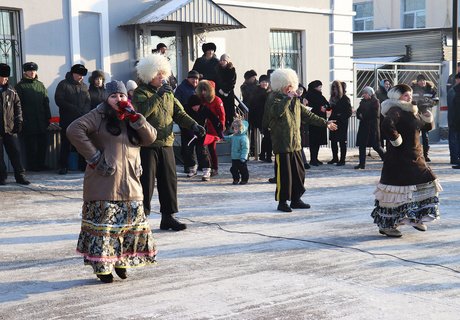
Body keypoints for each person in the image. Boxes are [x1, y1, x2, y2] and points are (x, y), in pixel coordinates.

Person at [66, 80, 157, 283]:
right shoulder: (97, 115)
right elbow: (74, 130)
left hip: (131, 183)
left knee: (128, 227)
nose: (119, 99)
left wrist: (137, 119)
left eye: (122, 95)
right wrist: (95, 157)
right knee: (105, 230)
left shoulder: (132, 115)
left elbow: (151, 138)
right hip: (105, 182)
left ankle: (121, 261)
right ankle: (102, 267)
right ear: (106, 98)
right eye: (114, 96)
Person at [132, 54, 206, 231]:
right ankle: (142, 218)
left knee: (169, 182)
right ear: (149, 75)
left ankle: (168, 217)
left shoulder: (168, 94)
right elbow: (141, 114)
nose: (161, 77)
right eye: (158, 74)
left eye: (163, 74)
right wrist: (157, 96)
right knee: (146, 183)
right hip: (147, 145)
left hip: (166, 143)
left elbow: (179, 113)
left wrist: (194, 125)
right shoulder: (141, 93)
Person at [262, 68, 337, 212]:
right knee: (284, 175)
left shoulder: (294, 100)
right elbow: (277, 113)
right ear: (283, 85)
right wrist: (287, 98)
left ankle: (296, 199)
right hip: (282, 144)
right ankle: (282, 201)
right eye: (288, 85)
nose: (291, 88)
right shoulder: (274, 98)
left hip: (296, 143)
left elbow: (308, 115)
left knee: (299, 173)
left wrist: (325, 123)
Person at [371, 84, 441, 237]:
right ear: (397, 97)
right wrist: (397, 140)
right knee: (397, 191)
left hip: (415, 156)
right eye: (405, 95)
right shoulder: (395, 109)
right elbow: (386, 125)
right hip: (399, 159)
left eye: (410, 94)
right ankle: (387, 225)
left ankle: (416, 217)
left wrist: (424, 111)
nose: (409, 97)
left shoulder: (411, 110)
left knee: (424, 183)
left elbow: (427, 127)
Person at [14, 62, 51, 172]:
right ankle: (32, 165)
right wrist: (20, 120)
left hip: (41, 121)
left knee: (42, 144)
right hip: (28, 121)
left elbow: (46, 102)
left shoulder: (40, 85)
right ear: (25, 72)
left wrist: (47, 118)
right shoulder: (20, 86)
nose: (32, 72)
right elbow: (18, 105)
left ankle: (41, 164)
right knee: (31, 145)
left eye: (34, 70)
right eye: (30, 70)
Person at [54, 63, 91, 174]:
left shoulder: (84, 86)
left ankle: (82, 165)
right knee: (66, 143)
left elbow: (88, 101)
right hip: (67, 119)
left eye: (82, 75)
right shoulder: (63, 84)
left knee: (81, 142)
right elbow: (59, 100)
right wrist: (73, 108)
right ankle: (63, 166)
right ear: (73, 73)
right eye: (79, 74)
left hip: (81, 120)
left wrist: (85, 111)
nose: (81, 77)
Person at [0, 63, 30, 185]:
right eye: (3, 77)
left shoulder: (11, 91)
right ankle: (1, 177)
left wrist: (19, 122)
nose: (6, 79)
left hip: (10, 128)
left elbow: (18, 107)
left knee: (16, 153)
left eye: (7, 77)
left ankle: (20, 176)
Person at [196, 79, 225, 176]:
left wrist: (221, 128)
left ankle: (214, 168)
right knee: (203, 147)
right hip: (203, 127)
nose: (203, 92)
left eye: (205, 90)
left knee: (211, 148)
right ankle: (206, 166)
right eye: (202, 90)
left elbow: (222, 115)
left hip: (213, 129)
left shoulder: (217, 100)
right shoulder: (201, 100)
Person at [182, 94, 214, 181]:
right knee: (188, 150)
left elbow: (213, 118)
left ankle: (206, 170)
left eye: (197, 106)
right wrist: (189, 132)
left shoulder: (204, 109)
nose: (196, 108)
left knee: (202, 151)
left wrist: (218, 131)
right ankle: (192, 167)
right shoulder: (186, 110)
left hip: (201, 133)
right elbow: (182, 122)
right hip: (189, 134)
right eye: (194, 106)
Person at [175, 70, 201, 173]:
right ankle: (189, 165)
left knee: (199, 143)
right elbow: (177, 103)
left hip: (198, 119)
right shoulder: (181, 88)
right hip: (185, 119)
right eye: (193, 78)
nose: (195, 80)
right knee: (187, 143)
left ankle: (201, 164)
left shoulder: (199, 88)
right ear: (188, 78)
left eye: (197, 79)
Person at [354, 86, 385, 169]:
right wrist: (360, 115)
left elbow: (375, 114)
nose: (364, 95)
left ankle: (386, 159)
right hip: (363, 127)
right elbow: (358, 111)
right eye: (363, 93)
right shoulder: (362, 102)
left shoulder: (376, 102)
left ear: (370, 94)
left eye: (365, 93)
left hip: (372, 128)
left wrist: (363, 115)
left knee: (376, 146)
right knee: (362, 145)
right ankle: (362, 164)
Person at [411, 74, 437, 162]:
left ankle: (425, 155)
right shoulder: (412, 89)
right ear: (417, 82)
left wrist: (428, 103)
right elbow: (409, 100)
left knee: (425, 136)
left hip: (426, 115)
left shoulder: (431, 89)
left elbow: (435, 101)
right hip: (416, 114)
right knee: (415, 136)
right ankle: (416, 155)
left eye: (423, 80)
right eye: (420, 81)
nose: (422, 82)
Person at [327, 80, 352, 166]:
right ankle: (335, 158)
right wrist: (326, 107)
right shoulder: (333, 98)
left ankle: (342, 159)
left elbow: (349, 112)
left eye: (335, 88)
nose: (334, 91)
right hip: (333, 121)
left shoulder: (345, 99)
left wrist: (340, 116)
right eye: (333, 88)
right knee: (333, 141)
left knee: (342, 142)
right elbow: (330, 108)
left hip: (342, 123)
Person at [305, 80, 329, 166]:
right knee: (313, 141)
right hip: (313, 121)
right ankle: (313, 159)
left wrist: (324, 107)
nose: (320, 88)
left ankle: (316, 158)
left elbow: (328, 104)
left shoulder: (320, 95)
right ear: (315, 87)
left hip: (321, 121)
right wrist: (319, 108)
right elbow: (308, 108)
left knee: (318, 141)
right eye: (319, 87)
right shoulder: (309, 95)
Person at [250, 74, 271, 162]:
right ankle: (268, 156)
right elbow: (254, 105)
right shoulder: (257, 92)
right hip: (260, 118)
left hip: (269, 117)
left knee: (267, 137)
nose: (264, 84)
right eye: (262, 82)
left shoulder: (270, 92)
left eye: (266, 82)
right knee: (268, 137)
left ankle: (263, 155)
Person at [223, 118, 249, 185]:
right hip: (234, 157)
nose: (235, 130)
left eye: (236, 129)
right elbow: (228, 138)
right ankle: (236, 179)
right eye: (234, 128)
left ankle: (244, 179)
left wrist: (243, 157)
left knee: (243, 169)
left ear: (241, 129)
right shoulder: (234, 136)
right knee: (233, 169)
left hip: (241, 158)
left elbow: (245, 148)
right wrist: (222, 137)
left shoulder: (243, 138)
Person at [215, 54, 236, 129]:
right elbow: (216, 80)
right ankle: (223, 126)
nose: (222, 62)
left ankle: (230, 126)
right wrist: (219, 90)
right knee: (221, 110)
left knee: (229, 110)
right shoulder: (217, 69)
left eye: (224, 60)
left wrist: (226, 91)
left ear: (227, 61)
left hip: (229, 94)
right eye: (221, 60)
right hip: (219, 93)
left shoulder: (231, 70)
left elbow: (232, 82)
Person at [241, 69, 258, 156]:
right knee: (247, 130)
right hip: (247, 110)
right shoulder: (244, 86)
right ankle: (248, 149)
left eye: (254, 77)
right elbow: (246, 97)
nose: (253, 79)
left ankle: (254, 149)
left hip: (256, 110)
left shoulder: (258, 85)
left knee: (255, 131)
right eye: (251, 77)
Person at [448, 73, 460, 167]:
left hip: (455, 120)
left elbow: (451, 107)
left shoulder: (453, 90)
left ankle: (455, 159)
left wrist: (450, 121)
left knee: (454, 139)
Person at [376, 79, 392, 148]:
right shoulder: (378, 93)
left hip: (389, 115)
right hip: (381, 115)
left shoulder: (391, 92)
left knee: (389, 132)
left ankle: (389, 150)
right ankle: (382, 150)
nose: (387, 85)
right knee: (381, 133)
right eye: (386, 84)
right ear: (382, 84)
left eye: (388, 84)